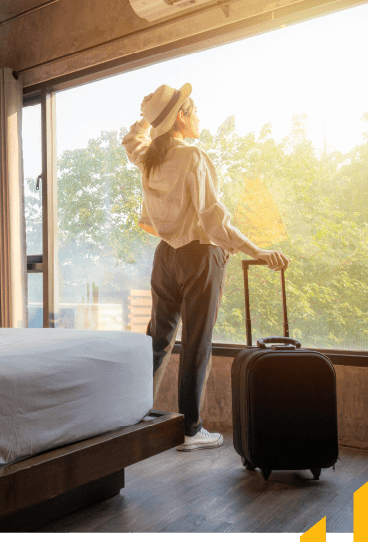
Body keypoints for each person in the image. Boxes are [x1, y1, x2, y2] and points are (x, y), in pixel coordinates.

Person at [122, 83, 289, 451]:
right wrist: (257, 251)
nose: (199, 118)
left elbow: (131, 139)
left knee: (158, 341)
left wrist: (150, 116)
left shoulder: (149, 157)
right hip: (200, 256)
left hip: (165, 257)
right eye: (193, 111)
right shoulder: (192, 158)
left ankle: (131, 418)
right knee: (196, 343)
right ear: (181, 118)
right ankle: (191, 431)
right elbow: (215, 221)